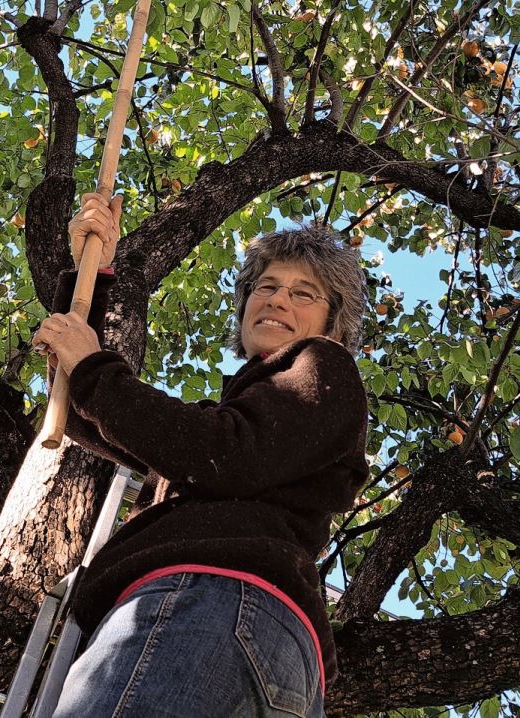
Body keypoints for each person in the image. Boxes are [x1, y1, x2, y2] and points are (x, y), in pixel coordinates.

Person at [33, 194, 369, 717]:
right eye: (267, 287)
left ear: (335, 327)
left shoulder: (322, 365)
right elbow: (82, 415)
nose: (278, 300)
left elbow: (219, 452)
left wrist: (95, 368)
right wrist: (90, 277)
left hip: (205, 605)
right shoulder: (234, 429)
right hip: (266, 650)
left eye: (304, 293)